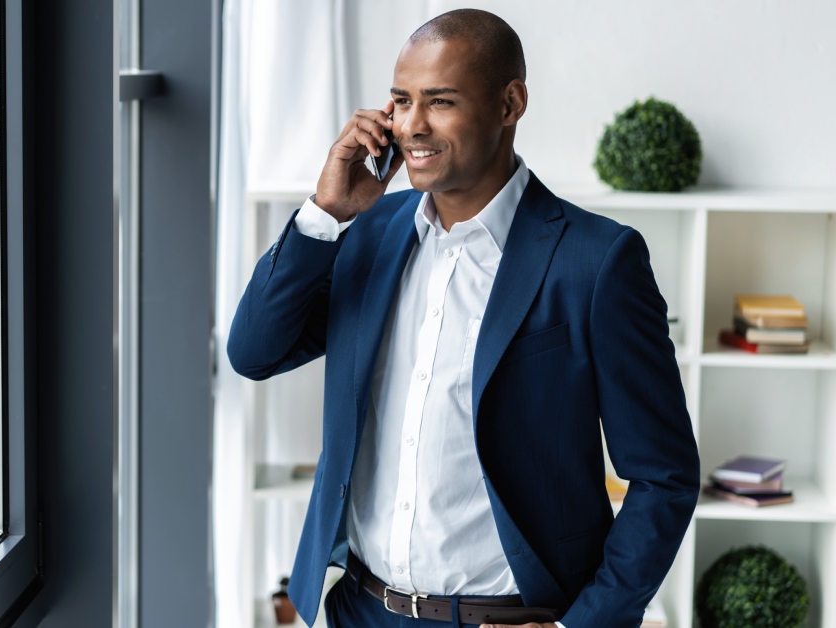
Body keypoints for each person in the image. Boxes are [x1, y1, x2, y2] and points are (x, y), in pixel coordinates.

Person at [227, 8, 699, 628]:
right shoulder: (368, 235)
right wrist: (324, 213)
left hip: (504, 617)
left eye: (440, 101)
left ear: (510, 104)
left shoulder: (596, 261)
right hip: (358, 610)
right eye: (400, 101)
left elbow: (663, 476)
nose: (411, 126)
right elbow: (254, 352)